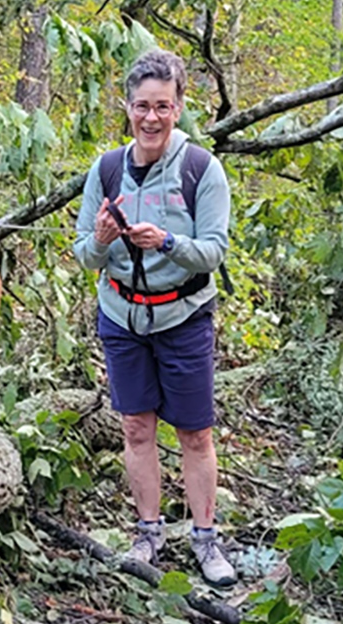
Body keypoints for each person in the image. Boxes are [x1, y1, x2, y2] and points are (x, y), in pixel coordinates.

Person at [72, 49, 236, 586]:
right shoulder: (106, 169)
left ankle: (206, 541)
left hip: (183, 316)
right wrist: (100, 239)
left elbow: (213, 251)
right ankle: (147, 533)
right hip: (121, 316)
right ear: (126, 106)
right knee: (136, 429)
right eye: (142, 106)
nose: (151, 117)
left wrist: (167, 242)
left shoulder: (201, 170)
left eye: (163, 106)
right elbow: (84, 255)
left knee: (194, 433)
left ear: (179, 106)